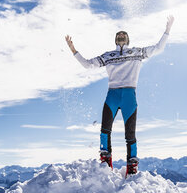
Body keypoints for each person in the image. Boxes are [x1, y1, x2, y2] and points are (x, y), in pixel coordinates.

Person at [65, 15, 174, 176]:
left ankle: (132, 165)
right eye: (118, 35)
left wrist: (167, 30)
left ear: (128, 39)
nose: (121, 35)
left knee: (130, 134)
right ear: (115, 40)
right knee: (104, 129)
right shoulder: (108, 56)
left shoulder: (138, 52)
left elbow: (159, 48)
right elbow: (88, 64)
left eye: (123, 34)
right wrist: (73, 50)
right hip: (113, 95)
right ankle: (105, 160)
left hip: (129, 94)